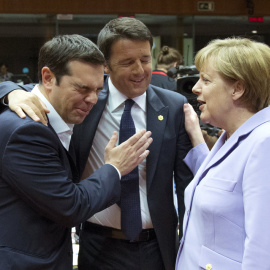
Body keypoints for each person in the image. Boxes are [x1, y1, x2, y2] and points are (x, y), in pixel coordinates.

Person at [0, 17, 193, 270]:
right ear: (107, 66)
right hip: (98, 246)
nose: (139, 70)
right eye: (127, 62)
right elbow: (43, 91)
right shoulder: (83, 103)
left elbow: (186, 185)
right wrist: (10, 91)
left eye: (145, 59)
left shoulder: (174, 106)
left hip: (157, 247)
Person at [176, 37, 270, 270]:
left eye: (206, 80)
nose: (196, 87)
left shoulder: (264, 143)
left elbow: (262, 250)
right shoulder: (231, 137)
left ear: (237, 88)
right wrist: (197, 137)